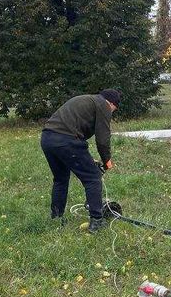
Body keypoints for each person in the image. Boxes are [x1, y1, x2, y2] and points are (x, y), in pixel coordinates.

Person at [40, 89, 121, 233]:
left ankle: (56, 217)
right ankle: (97, 221)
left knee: (60, 179)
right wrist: (107, 161)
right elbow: (102, 139)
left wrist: (87, 159)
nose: (112, 112)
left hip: (47, 138)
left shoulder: (86, 99)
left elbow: (74, 131)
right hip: (66, 140)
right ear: (112, 104)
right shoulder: (103, 105)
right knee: (93, 178)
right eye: (114, 110)